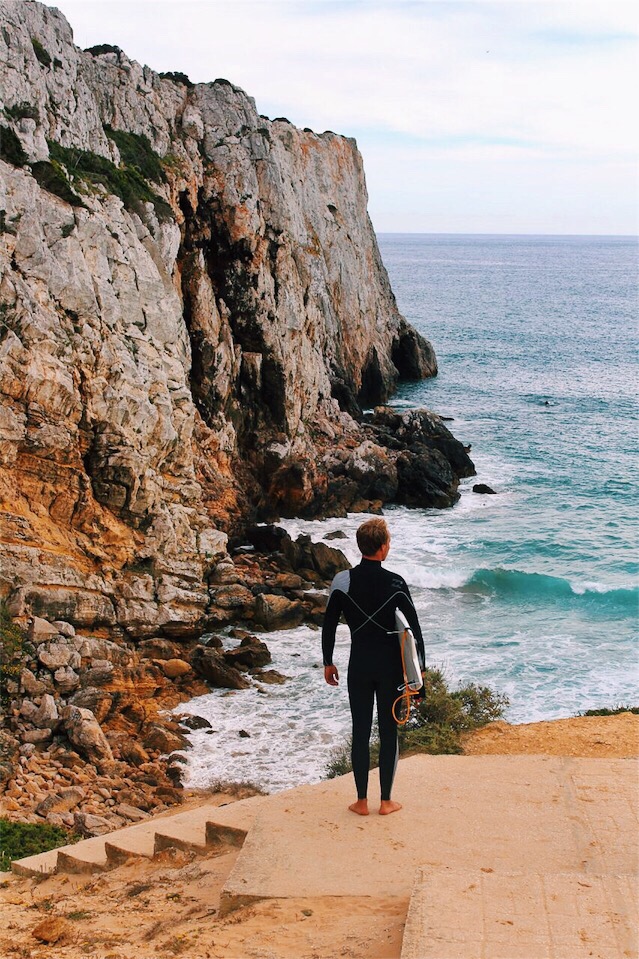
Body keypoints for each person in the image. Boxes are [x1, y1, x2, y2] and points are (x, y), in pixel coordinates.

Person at [322, 517, 425, 816]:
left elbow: (329, 625)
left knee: (361, 731)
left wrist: (328, 662)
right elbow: (415, 632)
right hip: (390, 667)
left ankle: (361, 802)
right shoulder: (395, 582)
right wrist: (420, 680)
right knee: (388, 731)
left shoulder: (342, 581)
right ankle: (387, 802)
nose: (389, 546)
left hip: (359, 666)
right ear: (381, 548)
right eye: (389, 542)